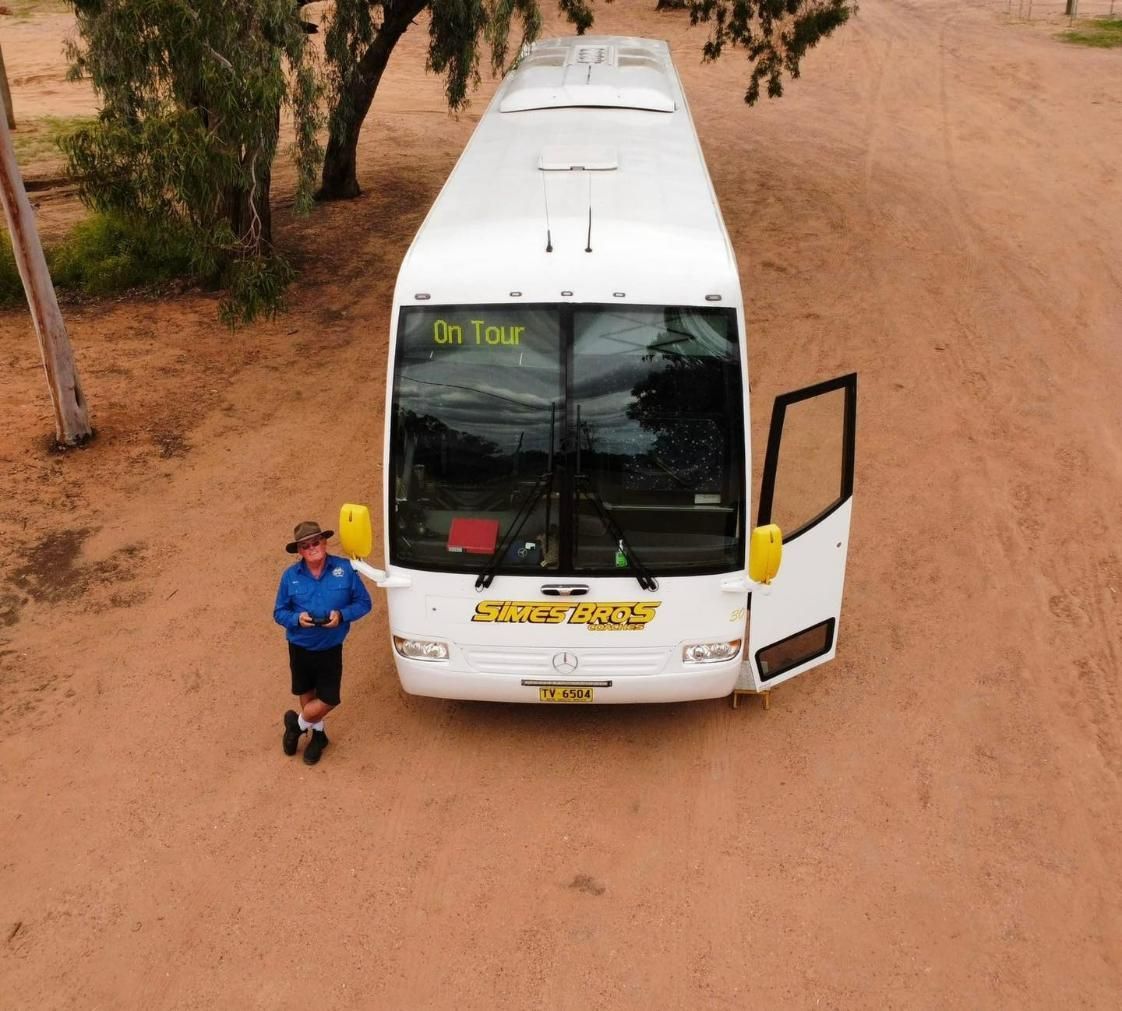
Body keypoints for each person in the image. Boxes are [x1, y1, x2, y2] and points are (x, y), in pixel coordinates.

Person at [273, 520, 372, 765]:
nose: (312, 548)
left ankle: (296, 726)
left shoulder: (345, 569)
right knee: (307, 694)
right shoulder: (290, 577)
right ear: (299, 551)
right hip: (300, 647)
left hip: (329, 648)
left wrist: (341, 616)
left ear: (325, 542)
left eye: (315, 542)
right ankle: (318, 737)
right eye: (305, 546)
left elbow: (364, 603)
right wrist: (297, 619)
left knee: (328, 699)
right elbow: (279, 612)